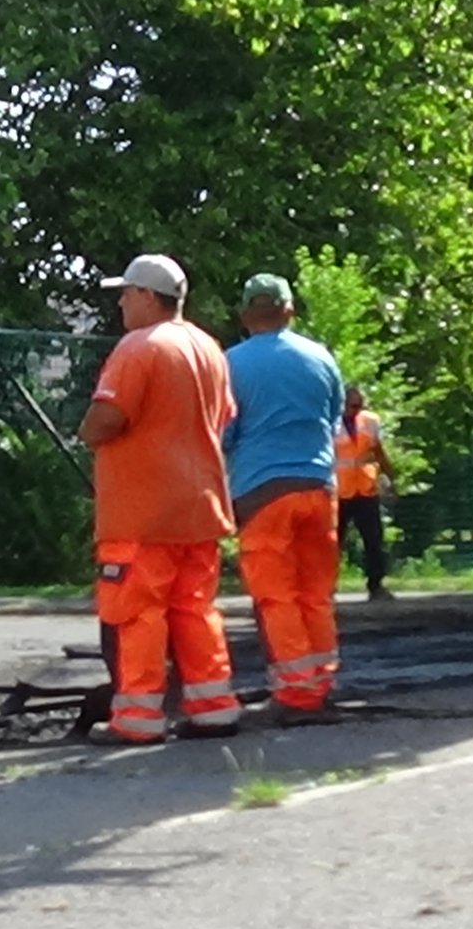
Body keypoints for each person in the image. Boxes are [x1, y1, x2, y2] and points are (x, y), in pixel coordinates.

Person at [79, 254, 242, 745]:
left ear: (148, 296)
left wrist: (84, 432)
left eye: (126, 293)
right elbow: (224, 417)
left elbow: (107, 419)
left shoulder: (138, 348)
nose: (122, 303)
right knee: (195, 610)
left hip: (143, 512)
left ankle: (139, 718)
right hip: (201, 506)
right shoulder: (208, 348)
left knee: (138, 613)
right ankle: (214, 708)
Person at [223, 274, 346, 724]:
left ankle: (296, 695)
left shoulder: (231, 364)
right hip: (319, 487)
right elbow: (333, 421)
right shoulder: (321, 358)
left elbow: (225, 432)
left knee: (277, 597)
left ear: (244, 315)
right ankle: (320, 684)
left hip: (261, 494)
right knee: (316, 594)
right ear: (289, 311)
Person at [335, 385, 397, 601]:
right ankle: (325, 587)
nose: (356, 410)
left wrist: (391, 477)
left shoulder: (370, 421)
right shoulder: (328, 423)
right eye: (352, 405)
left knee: (374, 539)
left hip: (365, 488)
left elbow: (378, 451)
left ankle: (376, 584)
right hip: (338, 491)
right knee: (333, 542)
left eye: (360, 405)